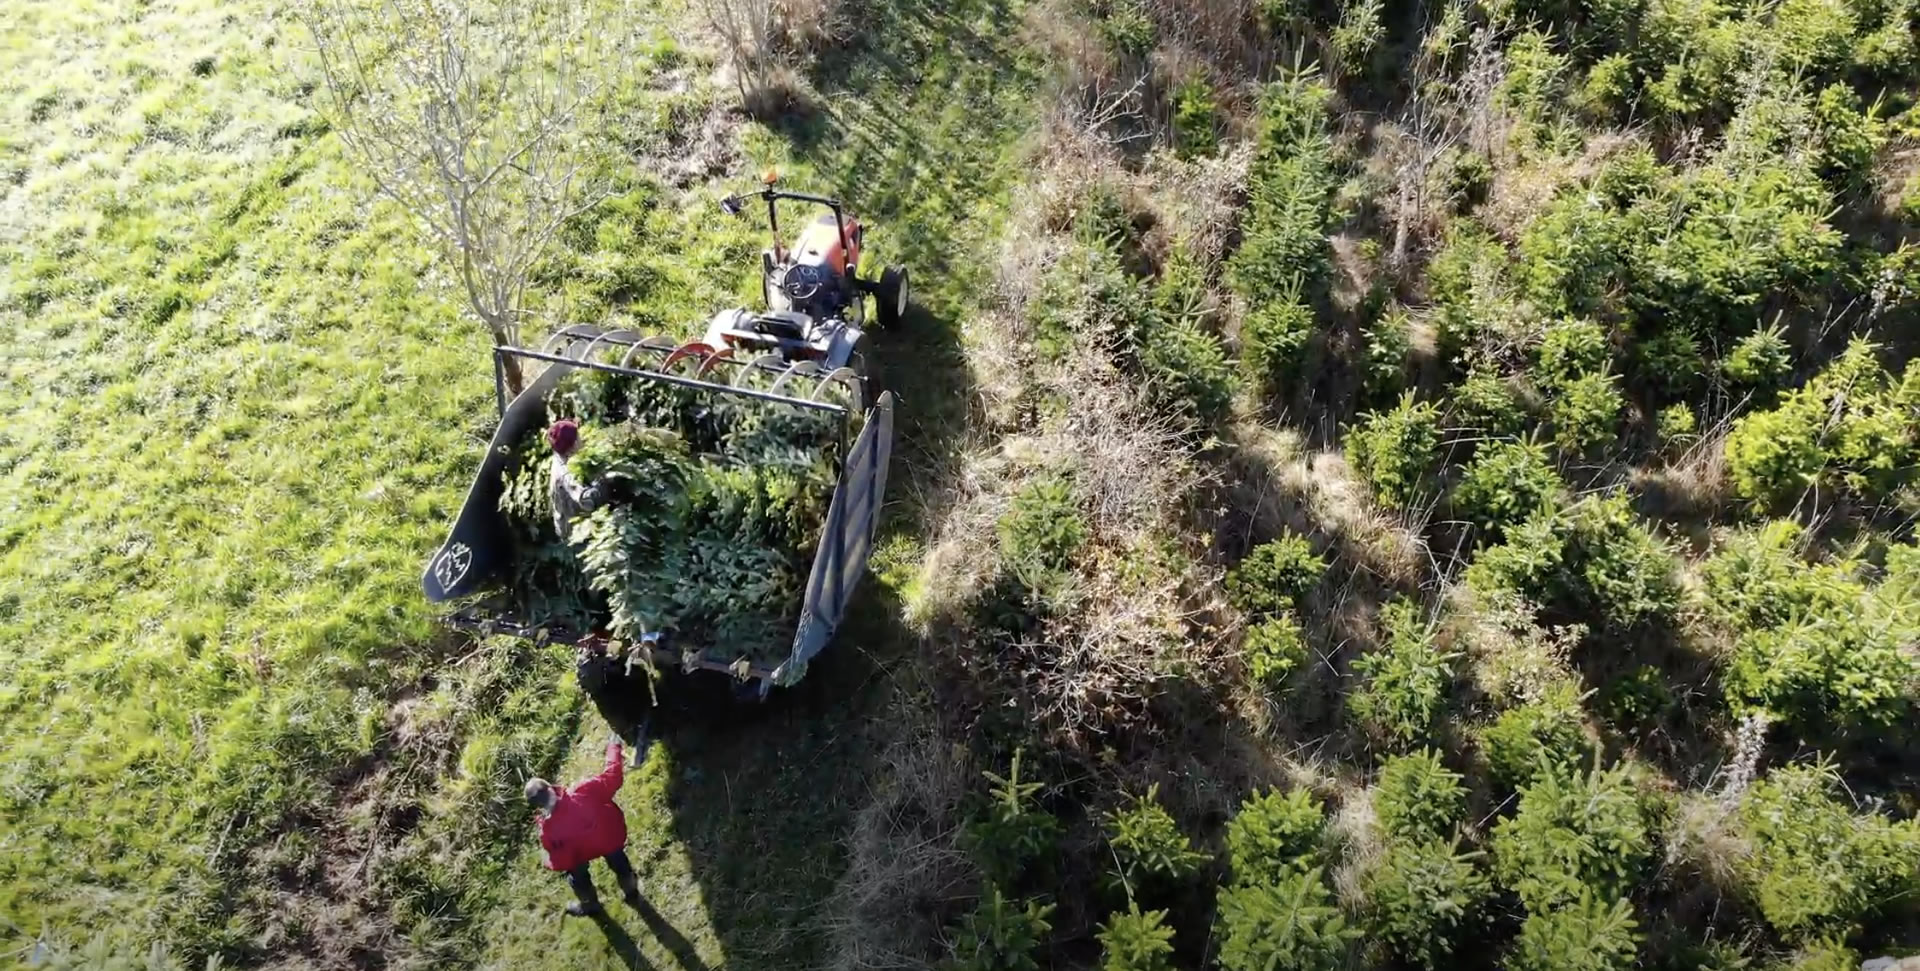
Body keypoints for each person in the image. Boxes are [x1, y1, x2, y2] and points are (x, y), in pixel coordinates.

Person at [524, 740, 641, 916]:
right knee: (620, 863)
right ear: (550, 788)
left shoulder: (547, 831)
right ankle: (632, 892)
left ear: (537, 806)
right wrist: (613, 748)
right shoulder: (583, 791)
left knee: (577, 877)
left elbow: (556, 859)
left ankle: (590, 905)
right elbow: (612, 776)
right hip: (606, 839)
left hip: (579, 854)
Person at [546, 419, 604, 541]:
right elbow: (587, 500)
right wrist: (603, 482)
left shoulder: (561, 454)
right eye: (578, 437)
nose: (582, 439)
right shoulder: (567, 474)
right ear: (571, 447)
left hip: (573, 524)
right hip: (575, 536)